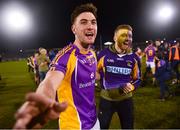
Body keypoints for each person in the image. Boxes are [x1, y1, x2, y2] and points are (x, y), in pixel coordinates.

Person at [13, 3, 99, 129]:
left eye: (93, 22)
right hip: (74, 125)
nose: (90, 26)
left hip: (94, 121)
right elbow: (49, 81)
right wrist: (42, 98)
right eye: (84, 22)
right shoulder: (65, 56)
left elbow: (91, 76)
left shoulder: (92, 54)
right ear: (74, 29)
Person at [96, 24, 141, 129]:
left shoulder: (134, 58)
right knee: (102, 127)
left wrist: (132, 86)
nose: (127, 39)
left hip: (126, 101)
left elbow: (138, 79)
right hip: (106, 100)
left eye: (130, 36)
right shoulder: (103, 55)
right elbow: (95, 73)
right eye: (124, 35)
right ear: (115, 37)